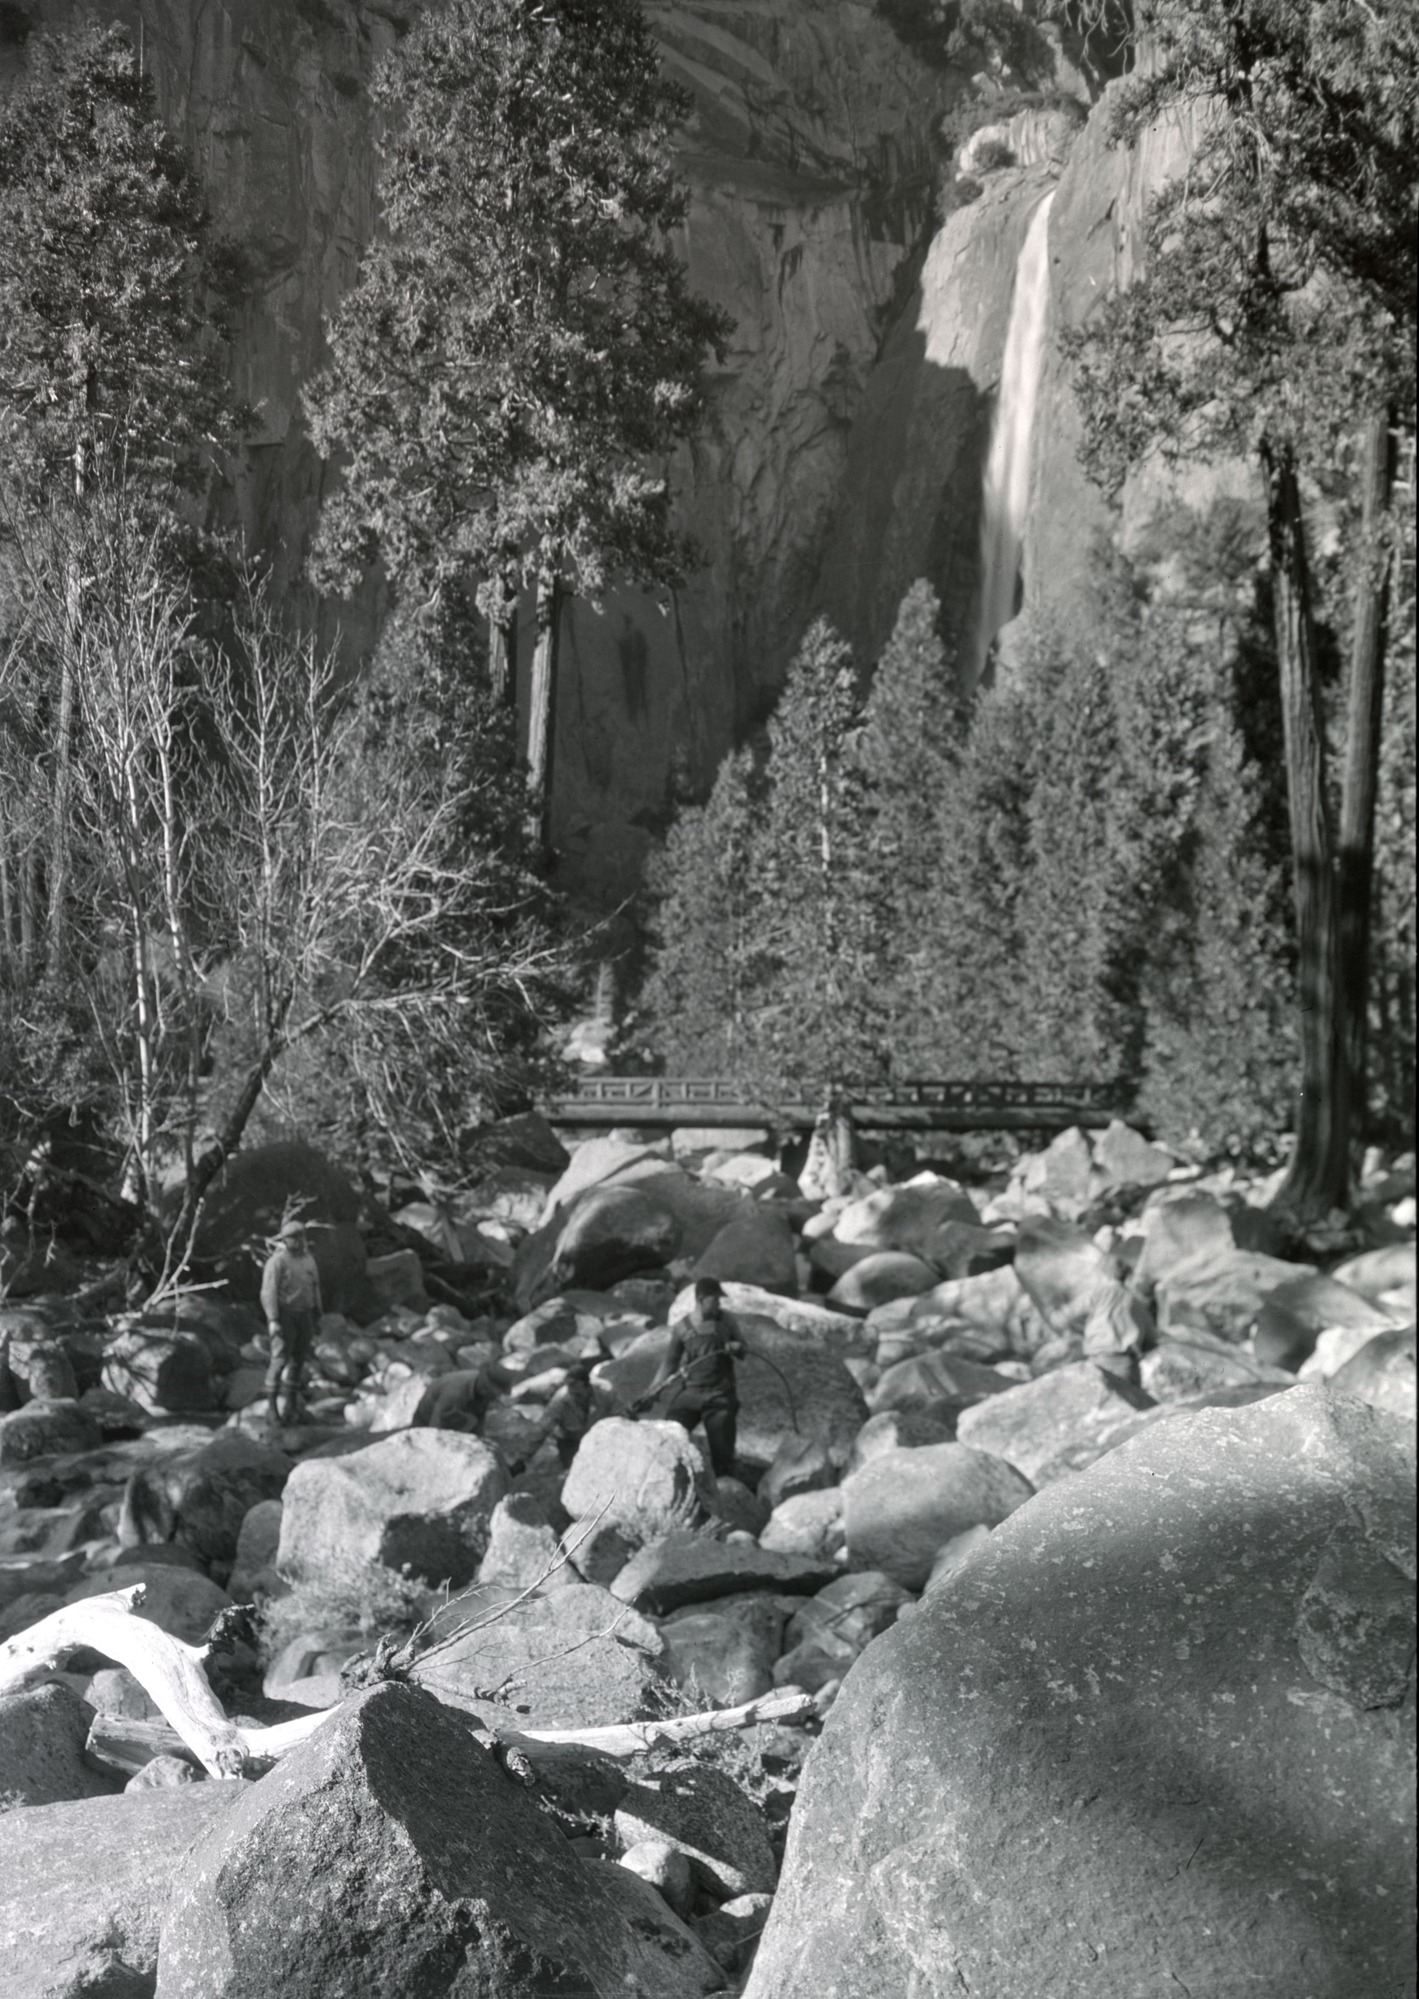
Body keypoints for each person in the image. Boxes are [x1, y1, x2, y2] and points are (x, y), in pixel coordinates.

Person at [640, 1278, 744, 1478]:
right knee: (669, 1436)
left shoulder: (727, 1322)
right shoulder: (682, 1327)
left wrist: (737, 1347)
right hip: (691, 1393)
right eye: (715, 1299)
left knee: (722, 1456)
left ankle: (725, 1484)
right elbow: (669, 1363)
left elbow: (744, 1349)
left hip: (720, 1395)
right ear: (702, 1299)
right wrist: (651, 1392)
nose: (719, 1304)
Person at [259, 1219, 322, 1424]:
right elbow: (268, 1292)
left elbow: (315, 1287)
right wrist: (273, 1319)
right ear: (285, 1240)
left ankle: (290, 1406)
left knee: (298, 1360)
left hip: (305, 1314)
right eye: (294, 1237)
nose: (299, 1241)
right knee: (279, 1360)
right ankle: (271, 1410)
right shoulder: (277, 1262)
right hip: (285, 1315)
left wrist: (318, 1313)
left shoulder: (309, 1260)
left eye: (301, 1236)